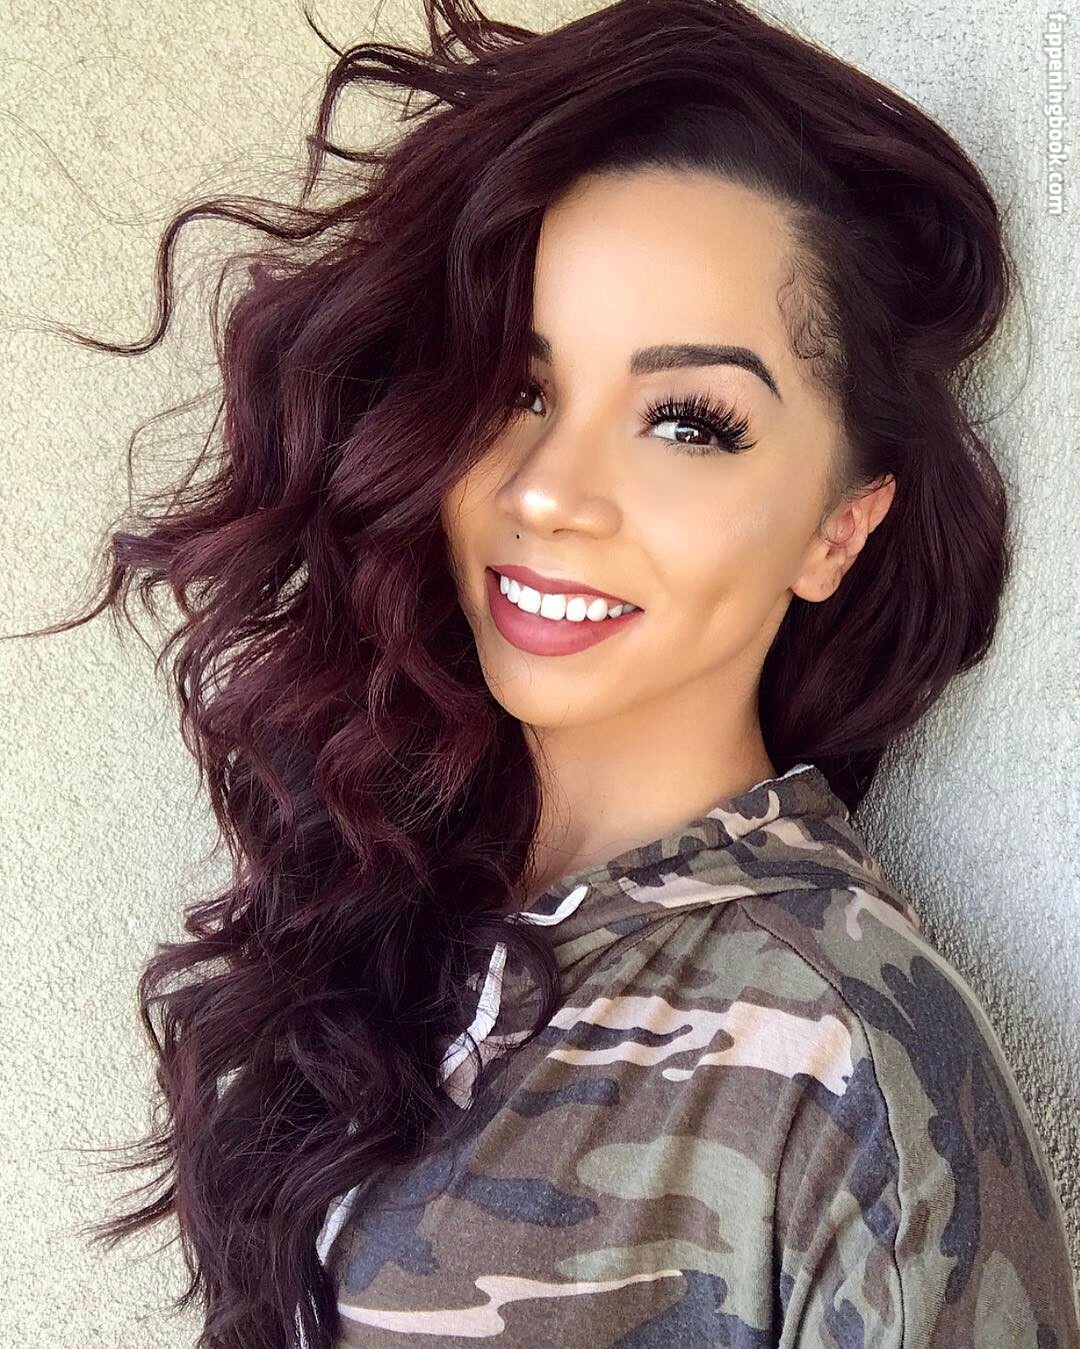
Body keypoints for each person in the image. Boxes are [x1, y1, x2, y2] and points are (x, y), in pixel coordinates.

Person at [11, 0, 1077, 1346]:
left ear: (838, 528)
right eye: (521, 390)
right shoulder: (389, 899)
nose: (550, 491)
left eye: (687, 422)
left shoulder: (848, 1062)